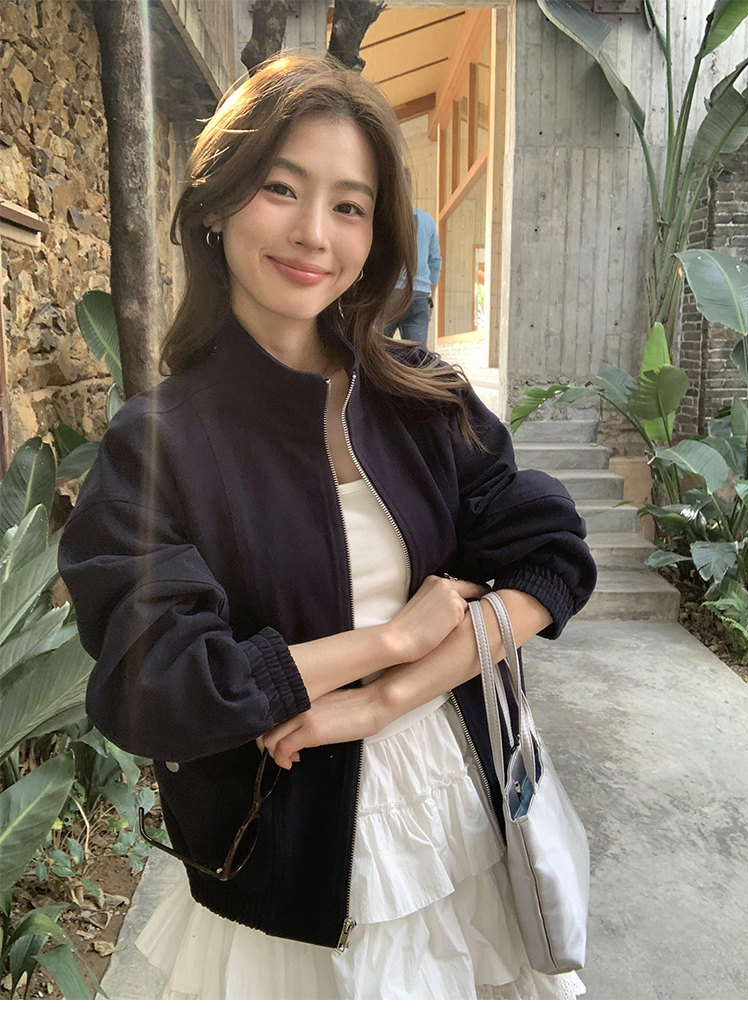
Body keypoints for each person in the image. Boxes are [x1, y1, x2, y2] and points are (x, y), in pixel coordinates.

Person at [58, 54, 597, 1000]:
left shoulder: (422, 398)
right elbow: (159, 684)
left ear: (375, 232)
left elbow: (551, 559)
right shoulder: (159, 445)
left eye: (350, 205)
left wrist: (390, 694)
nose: (314, 232)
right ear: (218, 204)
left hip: (460, 817)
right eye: (281, 188)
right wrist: (386, 640)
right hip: (287, 856)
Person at [384, 184, 441, 347]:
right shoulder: (427, 220)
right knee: (418, 355)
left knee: (374, 351)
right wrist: (430, 298)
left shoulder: (382, 218)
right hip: (419, 295)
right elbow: (435, 262)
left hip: (387, 295)